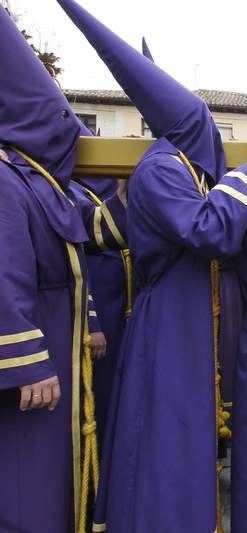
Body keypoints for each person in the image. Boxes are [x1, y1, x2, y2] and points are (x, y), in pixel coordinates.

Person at [58, 3, 247, 532]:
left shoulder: (195, 171)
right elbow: (210, 232)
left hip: (199, 325)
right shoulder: (167, 168)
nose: (208, 127)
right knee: (164, 443)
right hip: (171, 325)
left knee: (189, 444)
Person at [0, 9, 127, 531]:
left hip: (63, 342)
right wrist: (27, 361)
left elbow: (90, 247)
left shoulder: (41, 183)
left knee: (60, 469)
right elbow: (5, 274)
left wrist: (92, 322)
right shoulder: (7, 179)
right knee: (28, 480)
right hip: (36, 353)